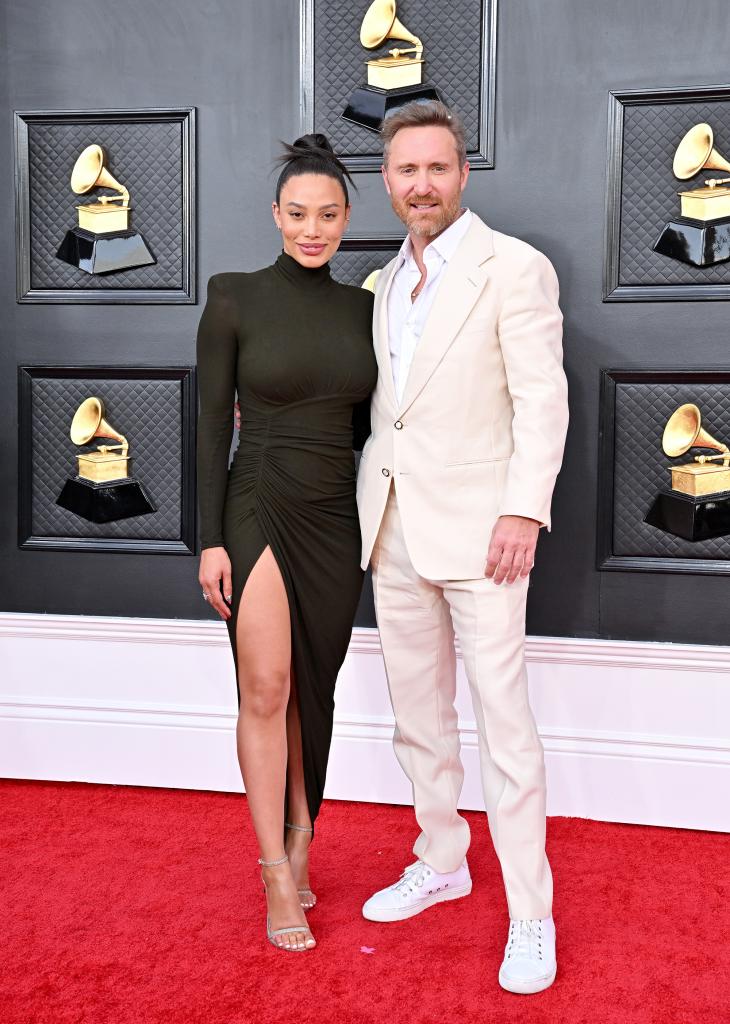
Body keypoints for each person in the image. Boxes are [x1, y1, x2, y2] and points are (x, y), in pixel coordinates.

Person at [356, 101, 569, 994]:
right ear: (388, 180)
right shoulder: (377, 284)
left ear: (462, 173)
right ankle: (442, 859)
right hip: (392, 529)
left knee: (505, 730)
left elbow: (542, 401)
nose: (422, 185)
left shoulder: (513, 268)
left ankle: (532, 915)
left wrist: (524, 511)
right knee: (418, 720)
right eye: (407, 171)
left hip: (487, 537)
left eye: (437, 168)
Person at [196, 134, 377, 953]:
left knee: (315, 689)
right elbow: (208, 431)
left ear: (347, 219)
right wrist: (209, 541)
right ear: (276, 215)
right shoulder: (231, 296)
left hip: (336, 515)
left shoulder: (366, 311)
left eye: (329, 215)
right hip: (258, 502)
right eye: (298, 214)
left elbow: (379, 430)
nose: (313, 229)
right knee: (265, 687)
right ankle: (275, 868)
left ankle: (306, 840)